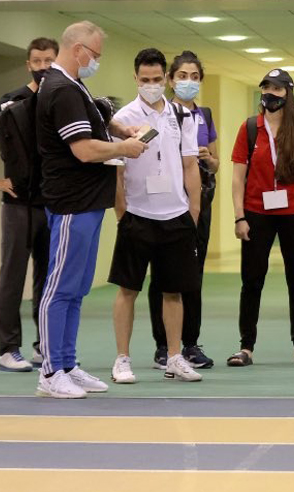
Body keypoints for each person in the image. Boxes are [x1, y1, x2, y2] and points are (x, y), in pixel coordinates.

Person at [34, 21, 147, 398]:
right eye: (95, 55)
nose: (96, 61)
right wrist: (123, 149)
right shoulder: (62, 88)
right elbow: (82, 149)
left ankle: (67, 362)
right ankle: (50, 372)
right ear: (78, 48)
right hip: (71, 203)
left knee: (77, 287)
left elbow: (95, 128)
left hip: (88, 202)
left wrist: (120, 133)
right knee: (59, 287)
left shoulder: (75, 86)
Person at [108, 48, 203, 384]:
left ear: (165, 78)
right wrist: (122, 212)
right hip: (137, 215)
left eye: (156, 79)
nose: (150, 85)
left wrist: (194, 210)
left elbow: (190, 165)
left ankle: (174, 356)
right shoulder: (123, 119)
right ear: (135, 79)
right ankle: (122, 359)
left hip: (176, 216)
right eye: (144, 80)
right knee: (128, 290)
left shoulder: (182, 116)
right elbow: (117, 171)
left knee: (174, 291)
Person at [0, 38, 57, 373]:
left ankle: (43, 346)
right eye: (37, 60)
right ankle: (8, 349)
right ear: (28, 64)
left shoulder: (61, 100)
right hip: (18, 204)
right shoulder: (12, 101)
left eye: (49, 60)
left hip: (52, 204)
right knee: (12, 276)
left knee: (48, 280)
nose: (43, 65)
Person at [227, 68, 294, 367]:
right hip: (257, 213)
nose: (270, 94)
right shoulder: (250, 128)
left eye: (277, 89)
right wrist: (239, 217)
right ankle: (246, 347)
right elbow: (237, 179)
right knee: (252, 280)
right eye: (266, 88)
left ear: (288, 94)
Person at [147, 50, 218, 371]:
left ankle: (190, 343)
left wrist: (206, 157)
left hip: (199, 199)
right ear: (170, 79)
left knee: (194, 272)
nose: (188, 81)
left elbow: (216, 163)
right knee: (163, 273)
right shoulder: (163, 113)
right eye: (182, 76)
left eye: (194, 76)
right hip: (167, 199)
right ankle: (163, 345)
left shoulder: (204, 114)